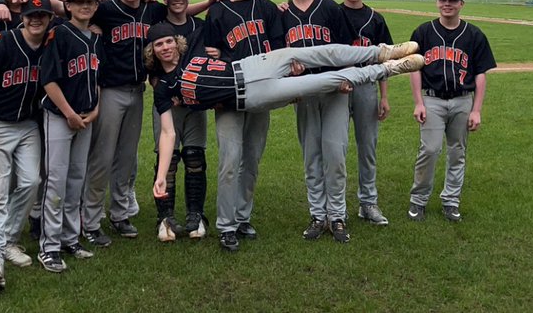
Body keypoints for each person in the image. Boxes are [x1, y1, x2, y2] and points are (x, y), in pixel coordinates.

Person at [146, 24, 424, 242]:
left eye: (169, 41)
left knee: (316, 52)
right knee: (322, 82)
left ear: (176, 41)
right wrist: (160, 177)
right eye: (159, 45)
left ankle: (381, 52)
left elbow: (204, 6)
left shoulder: (192, 46)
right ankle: (387, 69)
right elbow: (168, 133)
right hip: (250, 96)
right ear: (152, 52)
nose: (166, 47)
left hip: (250, 65)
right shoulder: (165, 88)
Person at [203, 0, 286, 252]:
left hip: (261, 92)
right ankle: (226, 226)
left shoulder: (266, 7)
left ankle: (242, 217)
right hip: (229, 94)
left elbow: (278, 48)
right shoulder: (217, 12)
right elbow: (208, 56)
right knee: (229, 162)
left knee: (251, 160)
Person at [0, 0, 52, 291]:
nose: (36, 20)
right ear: (23, 17)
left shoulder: (49, 45)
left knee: (31, 182)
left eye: (42, 15)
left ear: (48, 18)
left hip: (28, 126)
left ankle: (7, 238)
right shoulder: (4, 42)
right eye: (31, 15)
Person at [81, 0, 166, 246]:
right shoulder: (104, 10)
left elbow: (181, 14)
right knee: (102, 157)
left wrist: (210, 2)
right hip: (110, 91)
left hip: (137, 91)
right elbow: (70, 13)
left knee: (127, 157)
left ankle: (119, 214)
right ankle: (90, 221)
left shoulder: (151, 9)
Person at [280, 0, 356, 243]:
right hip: (304, 91)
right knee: (311, 155)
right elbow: (277, 53)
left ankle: (337, 216)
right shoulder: (282, 13)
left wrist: (347, 77)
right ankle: (317, 215)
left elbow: (347, 49)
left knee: (335, 155)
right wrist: (289, 77)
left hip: (334, 89)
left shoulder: (330, 9)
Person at [407, 0, 497, 224]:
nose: (447, 4)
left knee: (458, 152)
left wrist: (476, 109)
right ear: (437, 2)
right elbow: (414, 69)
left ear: (461, 4)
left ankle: (451, 201)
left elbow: (480, 74)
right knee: (430, 149)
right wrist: (418, 102)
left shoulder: (474, 34)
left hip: (462, 100)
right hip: (432, 99)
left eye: (452, 0)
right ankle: (418, 199)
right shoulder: (424, 32)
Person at [37, 0, 103, 273]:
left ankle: (69, 238)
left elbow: (97, 79)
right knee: (56, 180)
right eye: (79, 2)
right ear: (68, 6)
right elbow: (48, 80)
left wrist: (96, 108)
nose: (85, 6)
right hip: (60, 117)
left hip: (86, 116)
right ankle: (49, 246)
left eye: (90, 2)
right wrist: (69, 114)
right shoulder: (59, 33)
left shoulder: (96, 38)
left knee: (77, 178)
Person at [149, 0, 209, 241]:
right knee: (168, 158)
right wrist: (165, 88)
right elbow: (149, 67)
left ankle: (196, 215)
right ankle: (166, 217)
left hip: (194, 104)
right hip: (166, 103)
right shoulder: (158, 28)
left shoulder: (200, 26)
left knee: (195, 158)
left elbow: (209, 63)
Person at [338, 0, 394, 227]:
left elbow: (384, 62)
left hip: (366, 86)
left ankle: (368, 203)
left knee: (367, 146)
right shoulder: (331, 14)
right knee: (336, 148)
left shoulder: (376, 19)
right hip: (337, 87)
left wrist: (384, 96)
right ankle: (335, 206)